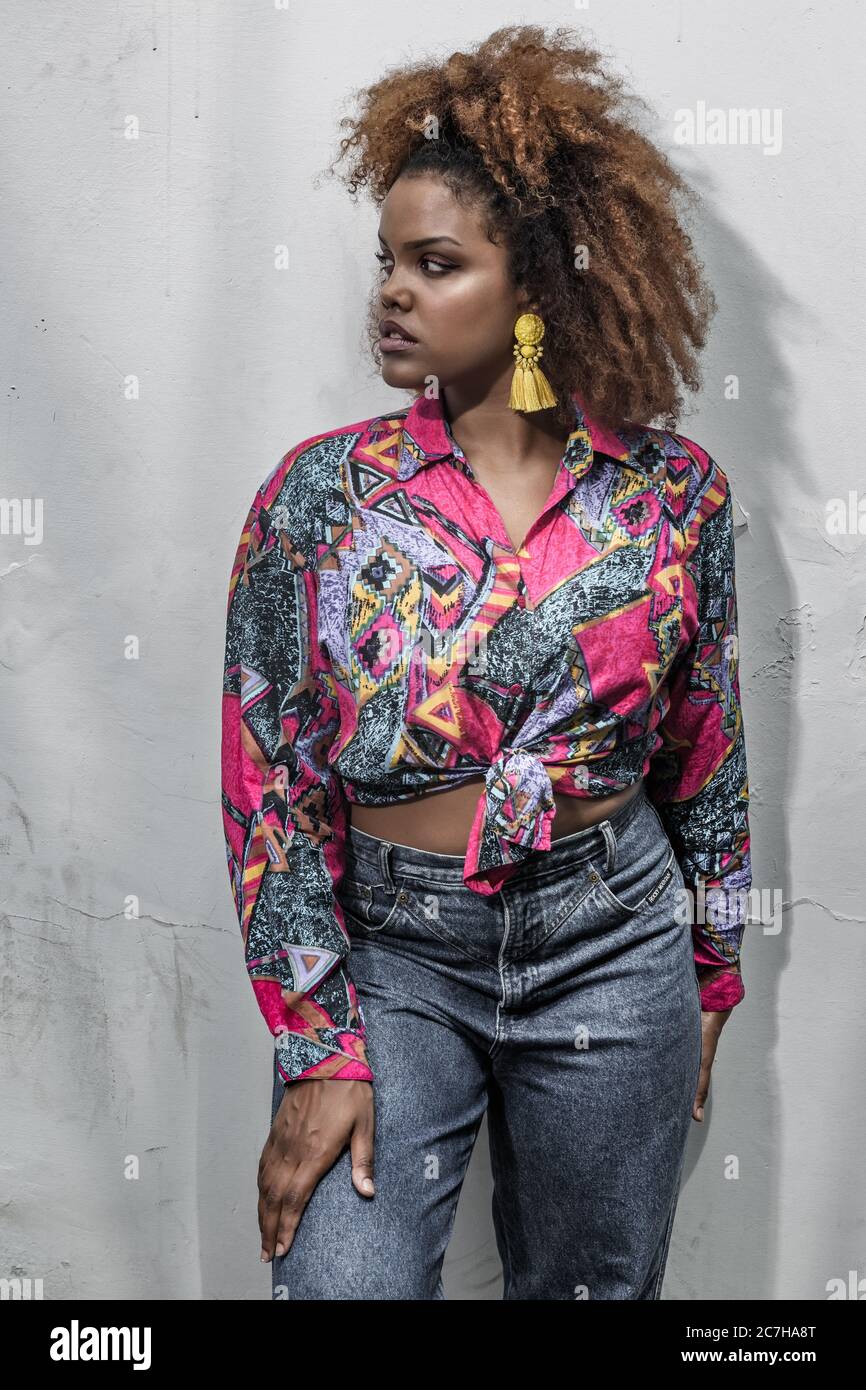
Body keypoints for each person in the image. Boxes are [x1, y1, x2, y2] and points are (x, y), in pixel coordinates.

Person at [220, 24, 751, 1300]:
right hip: (395, 951)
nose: (390, 291)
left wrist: (714, 962)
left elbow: (707, 749)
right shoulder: (321, 498)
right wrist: (317, 1043)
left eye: (434, 262)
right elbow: (267, 781)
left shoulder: (670, 495)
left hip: (613, 937)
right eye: (386, 261)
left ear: (537, 289)